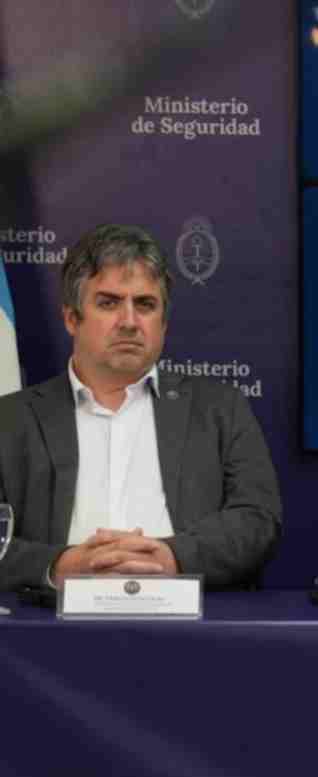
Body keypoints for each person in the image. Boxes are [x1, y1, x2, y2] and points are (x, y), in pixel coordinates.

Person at [0, 223, 282, 591]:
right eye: (109, 303)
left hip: (191, 615)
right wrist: (58, 566)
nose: (129, 322)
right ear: (71, 318)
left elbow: (258, 519)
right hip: (50, 618)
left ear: (163, 323)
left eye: (145, 305)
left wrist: (173, 558)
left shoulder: (220, 410)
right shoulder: (10, 420)